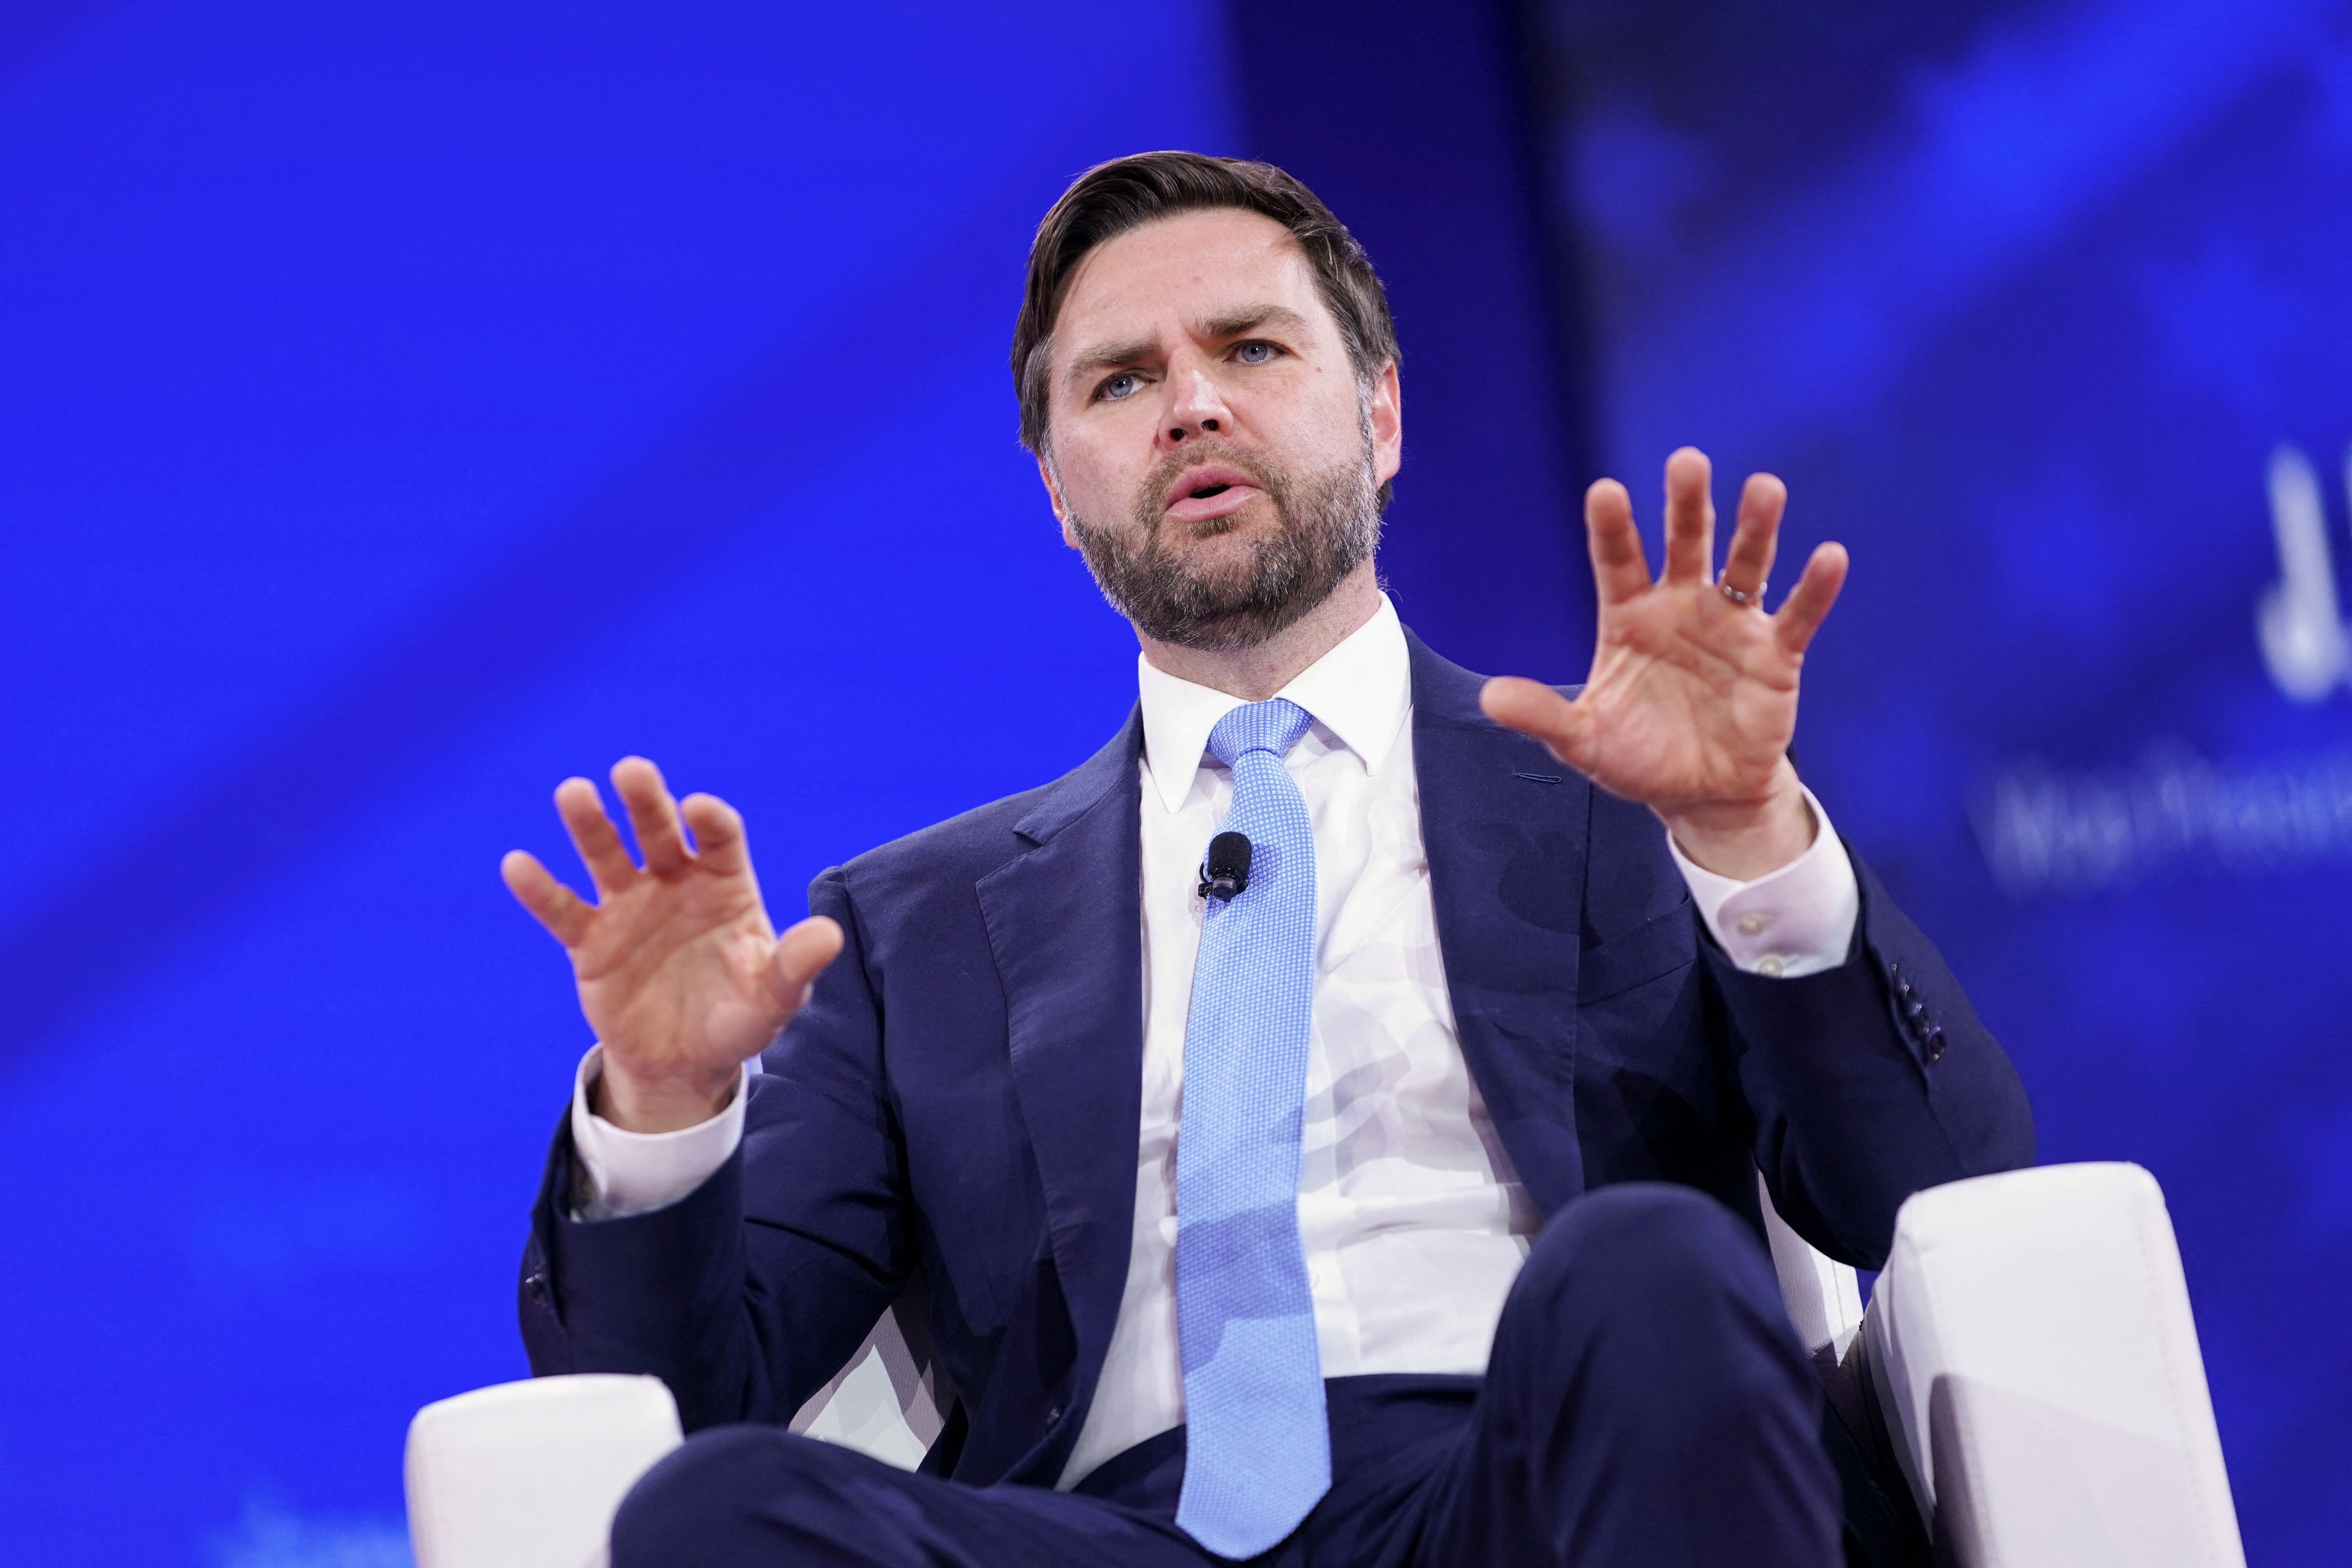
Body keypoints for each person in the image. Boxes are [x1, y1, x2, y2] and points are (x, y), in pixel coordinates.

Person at [503, 152, 2033, 1568]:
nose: (1190, 406)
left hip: (1535, 1482)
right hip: (1112, 1533)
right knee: (716, 1515)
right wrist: (667, 1108)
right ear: (1059, 488)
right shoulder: (908, 933)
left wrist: (1742, 834)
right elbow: (669, 1407)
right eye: (1120, 381)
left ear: (1381, 413)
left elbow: (1940, 1190)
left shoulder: (1618, 799)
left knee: (1648, 1266)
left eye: (1250, 349)